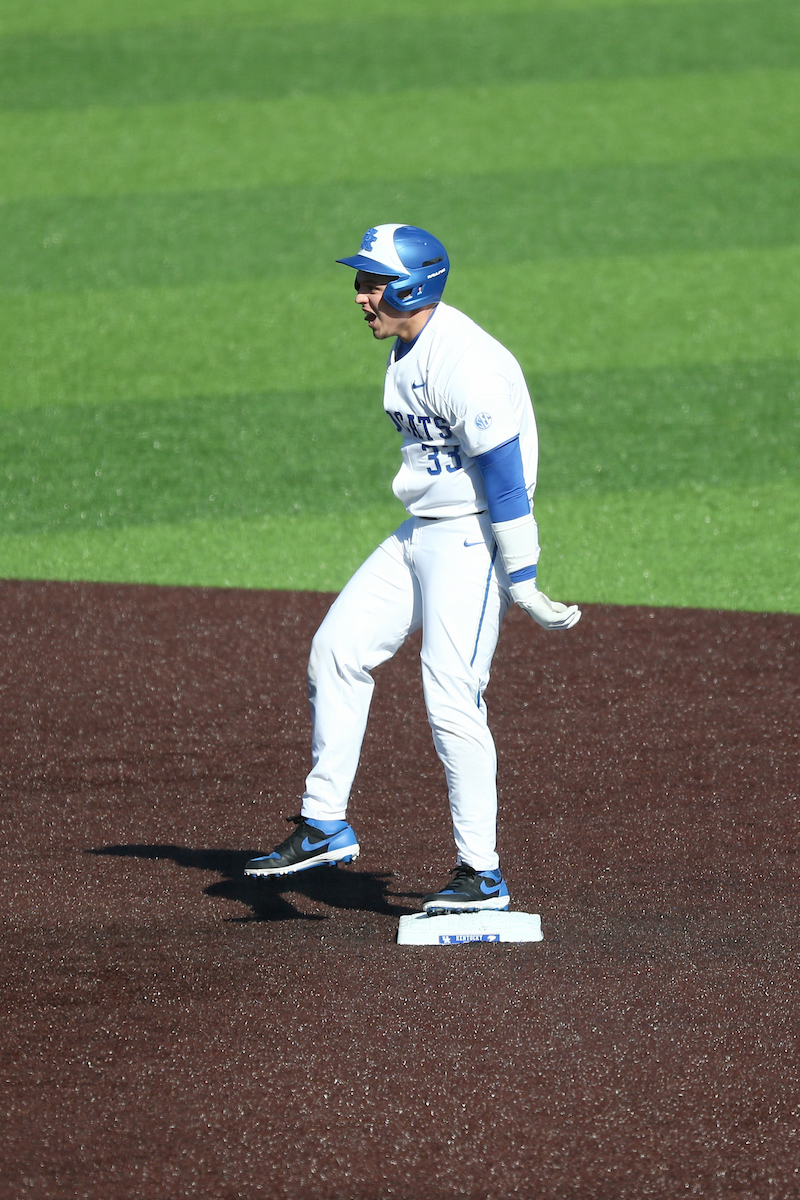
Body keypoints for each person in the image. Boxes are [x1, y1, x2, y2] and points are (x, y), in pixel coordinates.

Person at [244, 224, 581, 913]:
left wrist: (522, 576)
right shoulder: (406, 345)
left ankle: (480, 874)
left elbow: (505, 477)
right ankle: (323, 823)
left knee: (451, 699)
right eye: (361, 283)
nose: (362, 298)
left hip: (472, 538)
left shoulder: (469, 364)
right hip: (423, 531)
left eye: (373, 285)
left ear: (411, 287)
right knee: (336, 650)